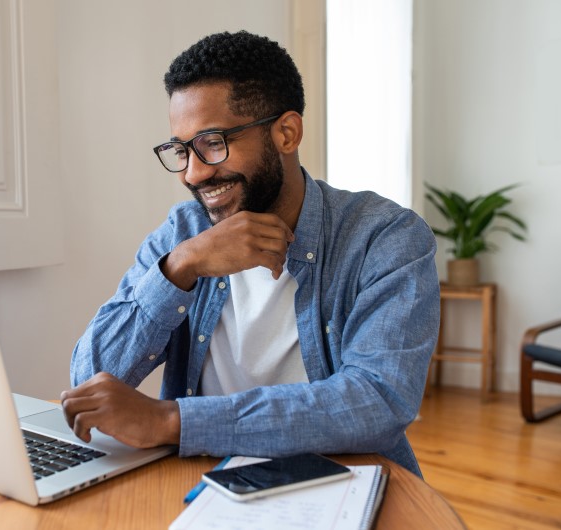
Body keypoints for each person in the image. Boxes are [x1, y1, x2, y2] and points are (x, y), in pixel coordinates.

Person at [61, 31, 439, 477]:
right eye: (181, 150)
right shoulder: (183, 234)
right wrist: (181, 266)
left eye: (213, 142)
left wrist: (172, 421)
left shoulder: (385, 237)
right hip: (201, 480)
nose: (193, 173)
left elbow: (379, 401)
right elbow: (91, 375)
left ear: (286, 132)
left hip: (342, 482)